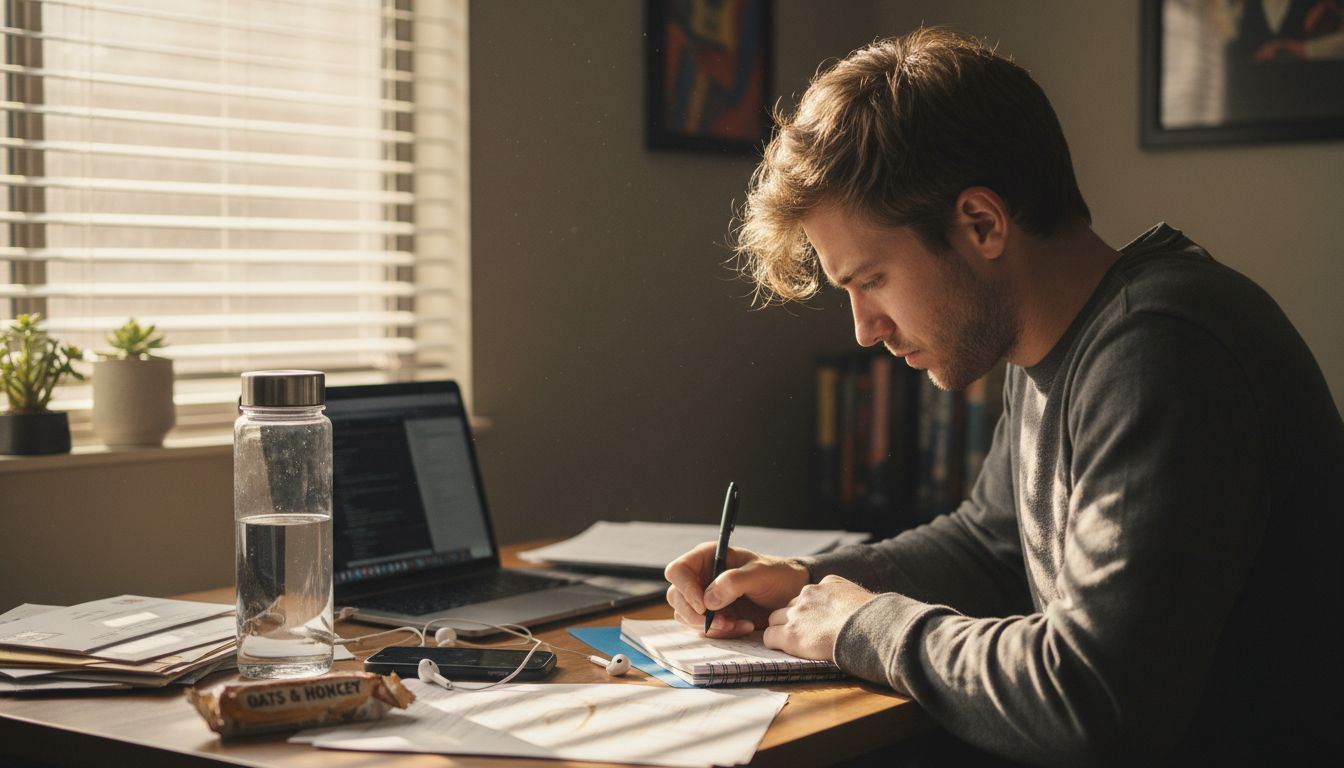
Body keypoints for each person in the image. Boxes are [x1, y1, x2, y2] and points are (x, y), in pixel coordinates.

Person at [663, 28, 1343, 764]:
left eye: (871, 280)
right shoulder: (1055, 339)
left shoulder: (1162, 351)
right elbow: (993, 546)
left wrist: (865, 628)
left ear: (982, 224)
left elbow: (1093, 699)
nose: (864, 329)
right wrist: (812, 590)